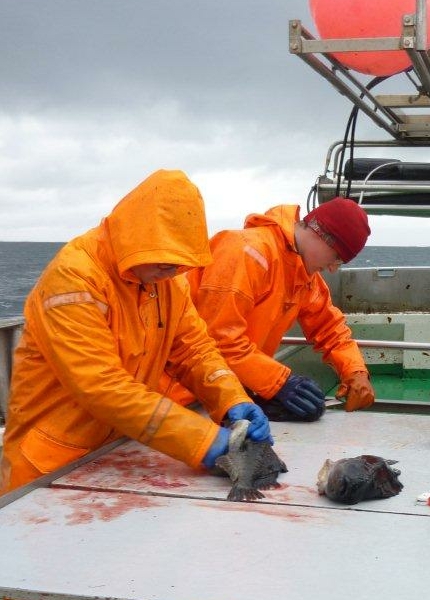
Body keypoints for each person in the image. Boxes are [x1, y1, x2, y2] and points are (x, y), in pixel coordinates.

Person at [0, 170, 271, 495]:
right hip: (45, 469)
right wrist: (204, 440)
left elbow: (194, 350)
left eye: (181, 265)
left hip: (113, 457)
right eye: (167, 263)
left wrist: (231, 398)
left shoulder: (166, 279)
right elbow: (102, 386)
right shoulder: (73, 279)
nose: (175, 272)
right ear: (138, 242)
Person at [162, 197, 374, 422]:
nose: (333, 269)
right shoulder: (245, 252)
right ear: (320, 234)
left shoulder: (304, 275)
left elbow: (330, 328)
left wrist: (355, 372)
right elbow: (216, 340)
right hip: (174, 397)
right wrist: (280, 382)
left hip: (223, 394)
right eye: (336, 258)